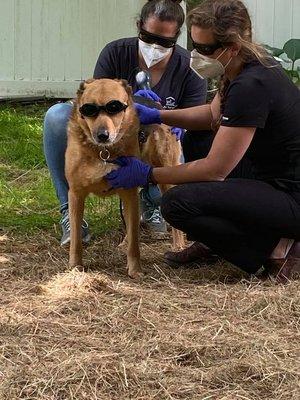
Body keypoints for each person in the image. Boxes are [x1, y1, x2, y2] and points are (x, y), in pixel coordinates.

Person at [105, 0, 300, 283]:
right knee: (198, 140)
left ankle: (273, 249)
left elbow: (214, 170)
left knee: (176, 204)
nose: (197, 54)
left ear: (232, 47)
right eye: (195, 45)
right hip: (271, 173)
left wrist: (148, 174)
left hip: (291, 195)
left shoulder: (251, 85)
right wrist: (159, 114)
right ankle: (225, 237)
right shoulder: (243, 64)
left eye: (206, 49)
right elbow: (212, 114)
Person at [43, 0, 207, 246]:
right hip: (113, 143)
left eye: (164, 42)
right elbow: (95, 106)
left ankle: (153, 204)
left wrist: (170, 119)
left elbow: (194, 120)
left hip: (160, 144)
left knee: (170, 172)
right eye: (148, 37)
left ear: (177, 37)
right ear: (139, 27)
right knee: (56, 116)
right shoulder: (115, 52)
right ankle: (70, 212)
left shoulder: (189, 68)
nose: (154, 47)